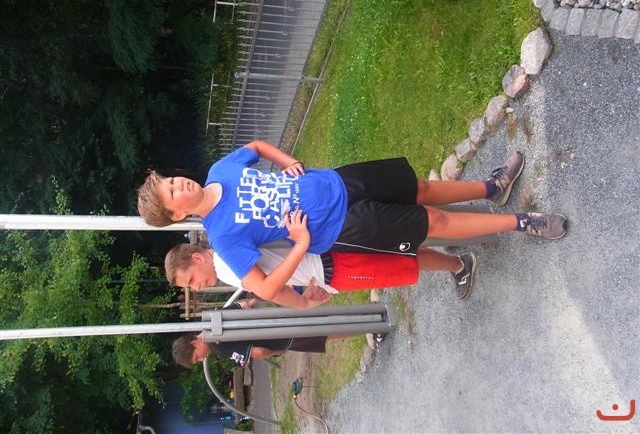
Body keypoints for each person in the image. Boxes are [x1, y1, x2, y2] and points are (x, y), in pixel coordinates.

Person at [138, 141, 566, 304]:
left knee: (421, 189)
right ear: (178, 214)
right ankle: (521, 222)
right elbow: (265, 289)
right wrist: (300, 244)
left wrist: (288, 161)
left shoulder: (220, 170)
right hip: (343, 226)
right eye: (173, 192)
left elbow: (255, 146)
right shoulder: (223, 237)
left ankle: (492, 188)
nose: (180, 183)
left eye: (172, 180)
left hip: (340, 181)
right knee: (431, 222)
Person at [164, 240, 478, 304]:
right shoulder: (225, 247)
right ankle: (453, 255)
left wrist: (305, 302)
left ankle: (459, 264)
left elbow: (273, 290)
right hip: (324, 256)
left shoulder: (226, 265)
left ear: (197, 257)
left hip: (329, 268)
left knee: (398, 262)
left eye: (191, 280)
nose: (197, 287)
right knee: (394, 251)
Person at [171, 301, 362, 369]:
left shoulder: (219, 347)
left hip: (282, 338)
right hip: (278, 317)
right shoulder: (213, 319)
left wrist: (276, 352)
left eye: (196, 357)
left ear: (194, 343)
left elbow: (258, 352)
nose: (201, 360)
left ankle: (368, 328)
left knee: (325, 334)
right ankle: (366, 314)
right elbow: (245, 305)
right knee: (323, 317)